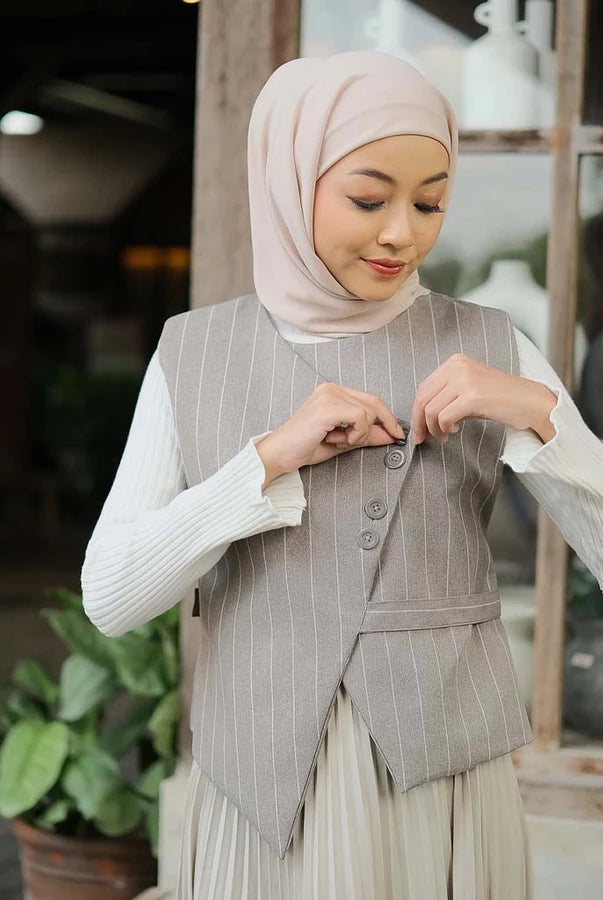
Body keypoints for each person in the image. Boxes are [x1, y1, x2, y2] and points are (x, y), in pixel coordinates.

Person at [81, 50, 603, 899]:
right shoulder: (192, 353)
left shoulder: (493, 344)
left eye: (430, 201)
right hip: (259, 800)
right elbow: (110, 597)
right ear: (288, 182)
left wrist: (539, 414)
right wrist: (262, 463)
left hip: (439, 793)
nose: (404, 231)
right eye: (369, 198)